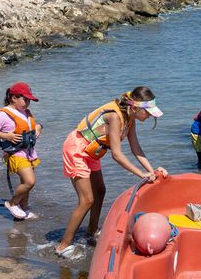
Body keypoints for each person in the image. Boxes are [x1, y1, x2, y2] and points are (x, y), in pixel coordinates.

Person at [56, 87, 167, 257]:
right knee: (86, 200)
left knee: (100, 191)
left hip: (92, 152)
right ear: (135, 108)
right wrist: (141, 174)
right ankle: (63, 246)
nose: (150, 116)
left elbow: (136, 148)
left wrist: (152, 171)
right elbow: (116, 155)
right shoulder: (114, 117)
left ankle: (91, 231)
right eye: (148, 112)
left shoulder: (130, 119)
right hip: (77, 149)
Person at [0, 82, 41, 220]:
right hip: (15, 153)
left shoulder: (24, 111)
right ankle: (12, 203)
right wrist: (6, 136)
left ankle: (23, 209)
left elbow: (31, 125)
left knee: (25, 184)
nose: (28, 103)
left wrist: (39, 127)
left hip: (28, 152)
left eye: (29, 100)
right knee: (29, 182)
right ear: (13, 98)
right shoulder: (3, 114)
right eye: (25, 99)